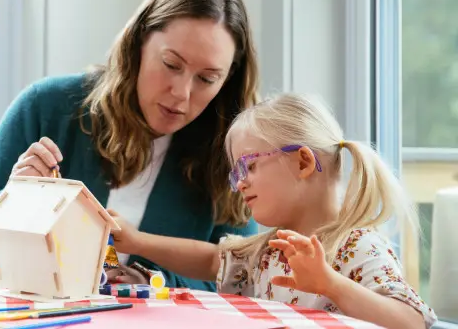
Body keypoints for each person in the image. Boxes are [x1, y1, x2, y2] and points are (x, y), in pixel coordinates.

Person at [0, 0, 260, 290]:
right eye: (171, 64)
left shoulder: (231, 151)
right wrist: (12, 205)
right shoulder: (47, 106)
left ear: (226, 82)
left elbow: (243, 278)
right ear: (138, 43)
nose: (181, 92)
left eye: (206, 79)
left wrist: (157, 282)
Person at [110, 92, 437, 329]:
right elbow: (212, 259)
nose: (239, 185)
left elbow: (411, 322)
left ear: (303, 162)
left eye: (248, 167)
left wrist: (330, 283)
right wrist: (138, 242)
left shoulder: (357, 247)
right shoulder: (269, 250)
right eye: (235, 174)